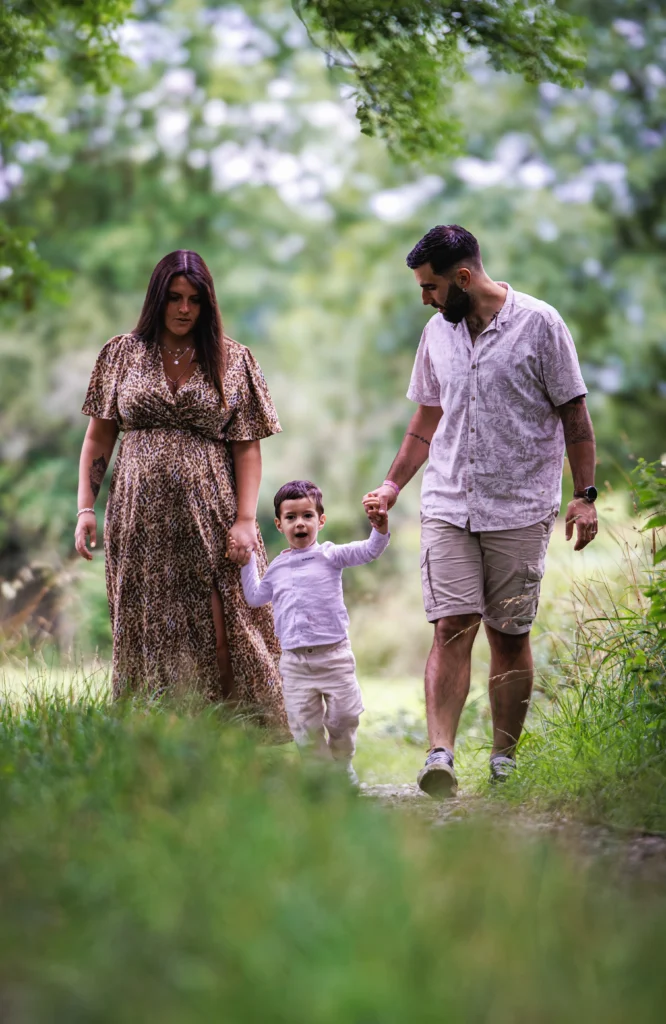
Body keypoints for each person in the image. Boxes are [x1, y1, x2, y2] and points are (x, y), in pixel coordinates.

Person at [363, 225, 598, 798]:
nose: (426, 298)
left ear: (463, 278)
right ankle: (438, 755)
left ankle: (503, 761)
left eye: (432, 287)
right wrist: (393, 487)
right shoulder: (436, 334)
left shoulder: (541, 324)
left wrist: (586, 497)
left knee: (509, 635)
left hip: (519, 507)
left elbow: (575, 418)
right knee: (450, 627)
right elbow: (425, 421)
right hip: (447, 503)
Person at [74, 249, 287, 731]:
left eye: (194, 299)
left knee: (224, 621)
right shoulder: (121, 354)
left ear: (208, 303)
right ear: (157, 298)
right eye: (174, 298)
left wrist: (246, 521)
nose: (184, 309)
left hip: (211, 513)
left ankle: (238, 735)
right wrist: (86, 507)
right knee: (146, 624)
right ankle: (156, 734)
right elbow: (99, 436)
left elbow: (247, 448)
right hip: (136, 519)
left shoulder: (233, 359)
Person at [240, 480, 390, 783]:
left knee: (345, 717)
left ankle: (342, 763)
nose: (300, 523)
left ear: (320, 520)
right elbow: (254, 597)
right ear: (279, 525)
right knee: (305, 727)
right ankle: (323, 780)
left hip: (334, 656)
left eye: (307, 516)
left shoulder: (330, 556)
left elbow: (370, 551)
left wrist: (380, 527)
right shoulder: (277, 568)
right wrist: (247, 561)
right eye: (291, 517)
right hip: (295, 663)